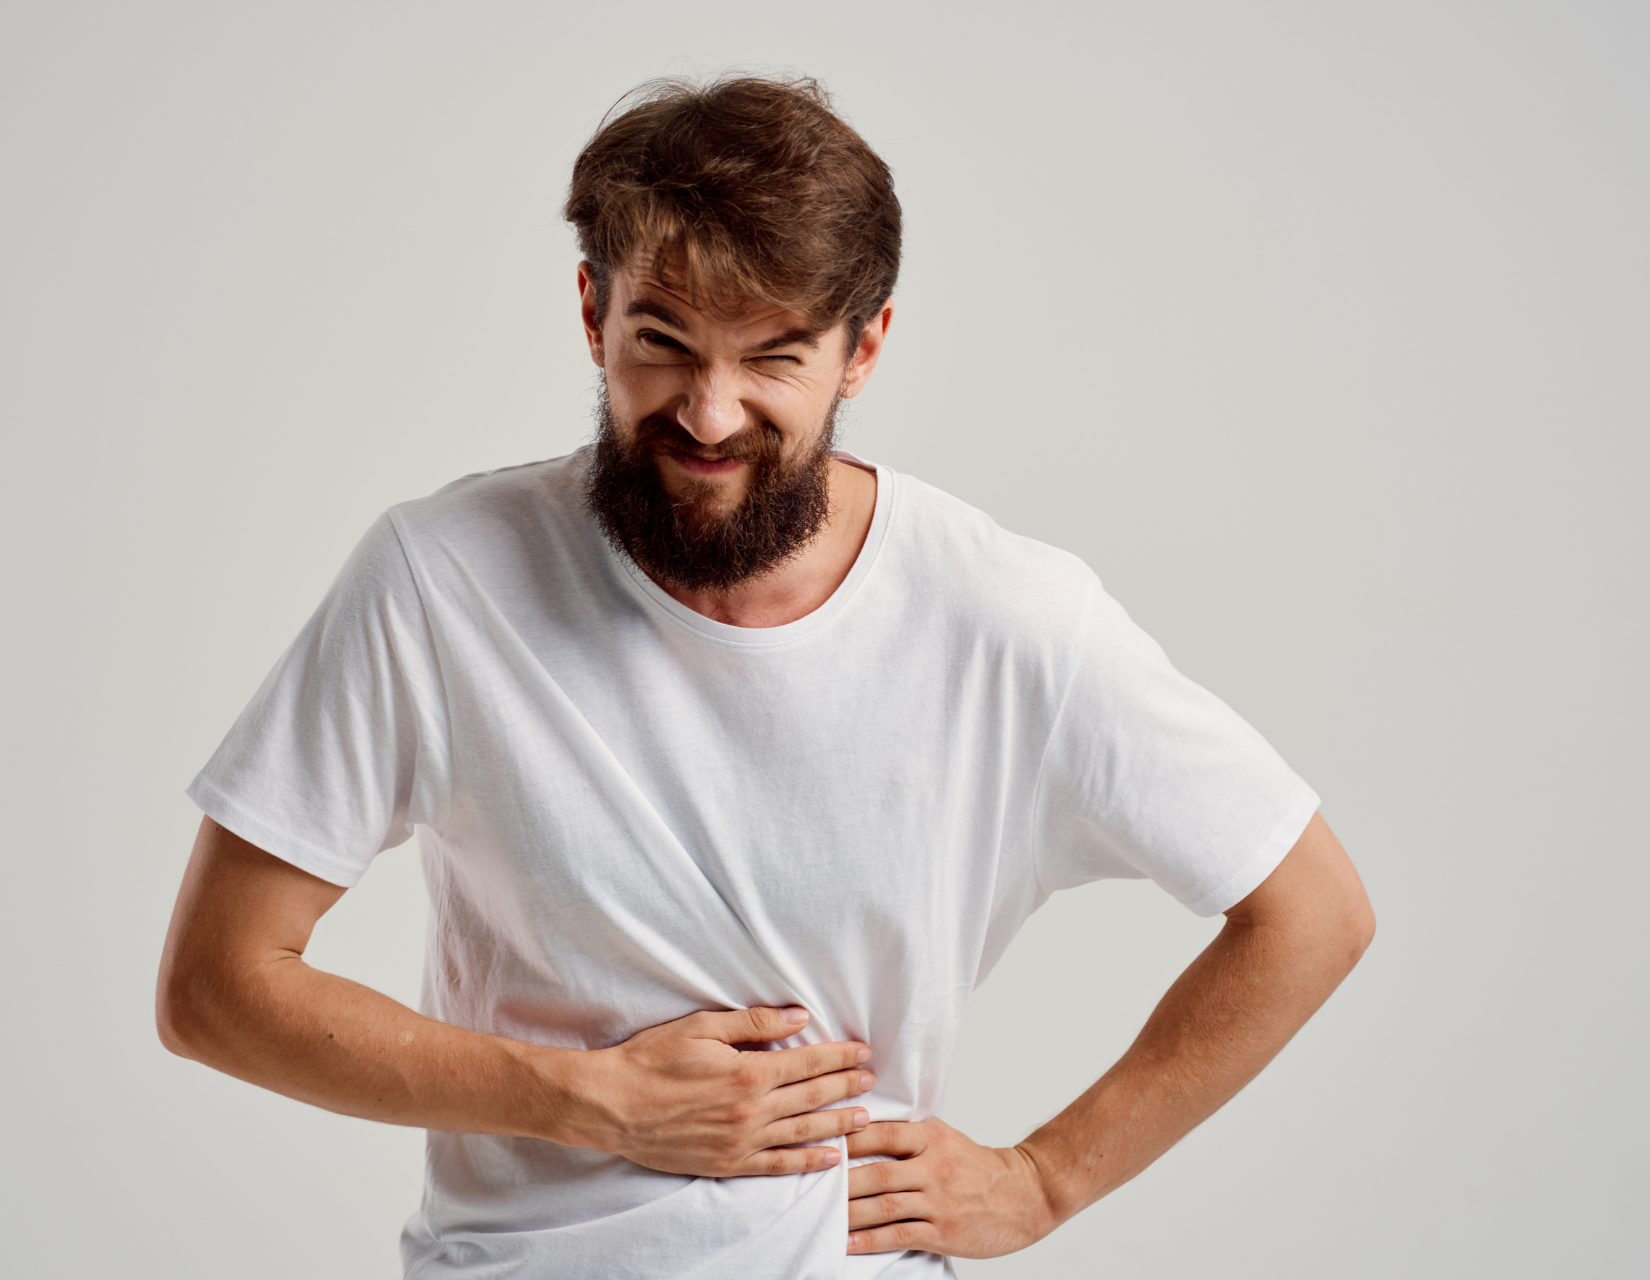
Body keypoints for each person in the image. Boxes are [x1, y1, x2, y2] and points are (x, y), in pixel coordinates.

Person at [156, 75, 1374, 1279]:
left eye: (774, 358)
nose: (710, 412)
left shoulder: (1009, 619)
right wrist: (595, 1099)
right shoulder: (441, 578)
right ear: (593, 313)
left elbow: (1311, 910)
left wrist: (1047, 1177)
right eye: (663, 343)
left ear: (865, 347)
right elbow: (217, 984)